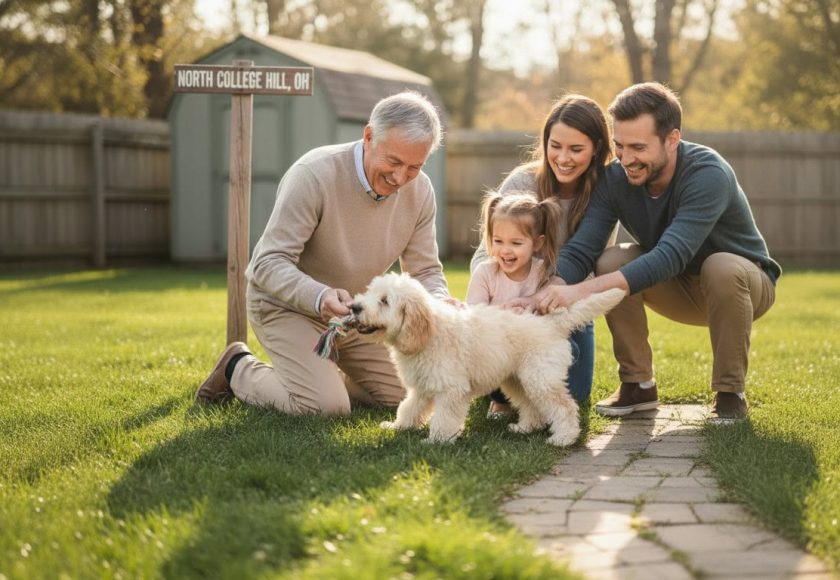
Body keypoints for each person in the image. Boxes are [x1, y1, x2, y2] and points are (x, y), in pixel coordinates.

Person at [527, 82, 781, 421]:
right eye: (619, 145)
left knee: (720, 266)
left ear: (672, 139)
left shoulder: (708, 174)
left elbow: (671, 255)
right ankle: (638, 385)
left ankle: (729, 393)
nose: (626, 158)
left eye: (638, 147)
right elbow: (583, 249)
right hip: (677, 286)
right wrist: (550, 288)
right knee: (609, 259)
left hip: (743, 287)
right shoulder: (615, 179)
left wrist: (580, 290)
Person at [195, 91, 450, 415]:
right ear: (369, 136)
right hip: (285, 307)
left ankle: (322, 376)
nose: (401, 178)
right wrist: (319, 297)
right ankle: (238, 367)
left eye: (414, 166)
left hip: (355, 315)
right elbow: (266, 263)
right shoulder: (314, 174)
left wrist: (440, 304)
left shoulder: (421, 190)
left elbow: (426, 270)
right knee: (324, 407)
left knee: (412, 394)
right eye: (394, 161)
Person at [470, 94, 614, 416]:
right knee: (502, 363)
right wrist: (501, 302)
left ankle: (517, 392)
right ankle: (501, 393)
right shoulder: (522, 181)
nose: (563, 158)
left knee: (570, 395)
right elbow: (486, 252)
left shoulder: (603, 194)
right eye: (555, 145)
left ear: (597, 149)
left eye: (576, 149)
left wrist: (547, 302)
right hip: (511, 303)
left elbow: (595, 265)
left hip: (563, 306)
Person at [466, 191, 566, 411]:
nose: (505, 250)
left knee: (564, 363)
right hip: (495, 352)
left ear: (537, 243)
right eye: (498, 241)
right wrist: (504, 311)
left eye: (516, 243)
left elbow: (558, 302)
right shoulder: (485, 273)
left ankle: (535, 404)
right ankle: (500, 402)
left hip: (531, 350)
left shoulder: (543, 273)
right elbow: (472, 315)